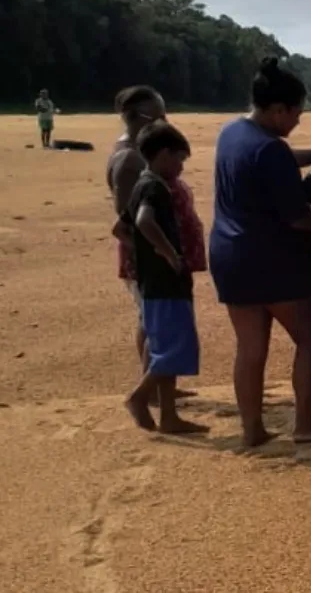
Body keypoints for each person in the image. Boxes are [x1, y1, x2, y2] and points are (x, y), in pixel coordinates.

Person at [209, 57, 311, 447]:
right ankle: (305, 425)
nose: (297, 121)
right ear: (279, 109)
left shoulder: (232, 133)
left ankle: (252, 429)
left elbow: (271, 160)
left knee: (250, 347)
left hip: (230, 257)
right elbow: (299, 218)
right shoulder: (271, 151)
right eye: (296, 113)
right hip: (273, 262)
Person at [106, 86, 203, 404]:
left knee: (155, 324)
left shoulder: (143, 154)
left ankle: (161, 385)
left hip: (162, 256)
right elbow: (128, 223)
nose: (165, 121)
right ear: (135, 118)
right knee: (153, 324)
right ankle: (152, 388)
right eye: (159, 116)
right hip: (151, 260)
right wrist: (162, 254)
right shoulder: (131, 159)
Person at [120, 120, 209, 435]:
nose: (181, 167)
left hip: (154, 281)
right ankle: (139, 396)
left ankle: (170, 417)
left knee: (167, 346)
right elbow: (144, 222)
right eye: (179, 159)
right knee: (173, 347)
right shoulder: (155, 187)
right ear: (162, 155)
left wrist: (145, 252)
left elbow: (122, 229)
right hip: (166, 283)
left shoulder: (142, 184)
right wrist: (168, 254)